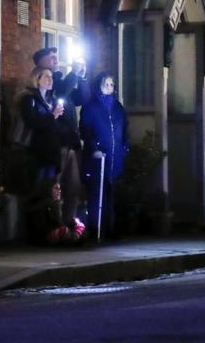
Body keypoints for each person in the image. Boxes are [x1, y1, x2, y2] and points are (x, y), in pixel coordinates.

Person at [33, 47, 89, 233]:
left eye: (57, 58)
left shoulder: (60, 79)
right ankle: (55, 226)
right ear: (41, 62)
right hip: (56, 143)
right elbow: (63, 92)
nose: (56, 61)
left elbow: (82, 98)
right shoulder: (49, 84)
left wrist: (81, 76)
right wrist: (72, 74)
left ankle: (69, 222)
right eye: (52, 58)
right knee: (55, 187)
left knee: (73, 185)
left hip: (70, 141)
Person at [19, 66, 75, 244]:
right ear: (37, 79)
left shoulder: (50, 100)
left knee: (52, 192)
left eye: (51, 77)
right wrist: (52, 116)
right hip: (37, 153)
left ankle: (50, 230)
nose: (50, 80)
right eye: (47, 77)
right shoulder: (29, 99)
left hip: (51, 153)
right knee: (38, 191)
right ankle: (35, 232)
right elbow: (33, 122)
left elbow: (54, 126)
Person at [79, 72, 129, 241]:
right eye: (106, 84)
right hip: (98, 157)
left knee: (112, 193)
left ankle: (111, 228)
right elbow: (86, 130)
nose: (109, 88)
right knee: (97, 193)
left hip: (116, 156)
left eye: (111, 85)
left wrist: (124, 147)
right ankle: (95, 228)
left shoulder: (118, 107)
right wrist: (94, 148)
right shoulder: (90, 107)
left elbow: (125, 129)